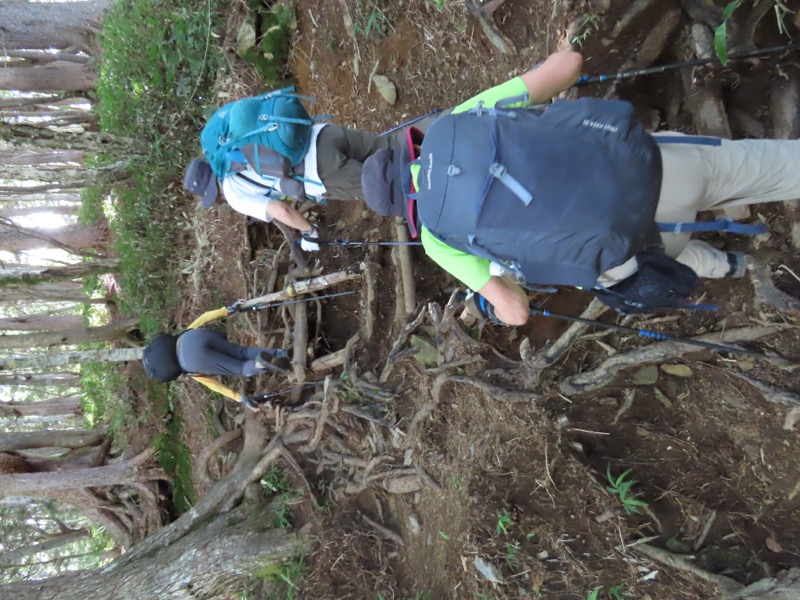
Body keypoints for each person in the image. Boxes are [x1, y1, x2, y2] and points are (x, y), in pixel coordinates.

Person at [361, 49, 800, 326]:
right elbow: (568, 64)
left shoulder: (437, 239)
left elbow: (516, 311)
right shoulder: (456, 124)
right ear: (409, 150)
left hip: (642, 242)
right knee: (769, 167)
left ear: (404, 210)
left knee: (618, 250)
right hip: (653, 166)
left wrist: (492, 308)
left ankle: (735, 265)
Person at [142, 301, 292, 411]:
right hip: (195, 336)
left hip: (194, 360)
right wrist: (227, 310)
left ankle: (259, 364)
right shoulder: (182, 335)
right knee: (242, 352)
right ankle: (281, 353)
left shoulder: (189, 369)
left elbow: (214, 385)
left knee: (240, 368)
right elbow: (204, 317)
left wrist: (239, 397)